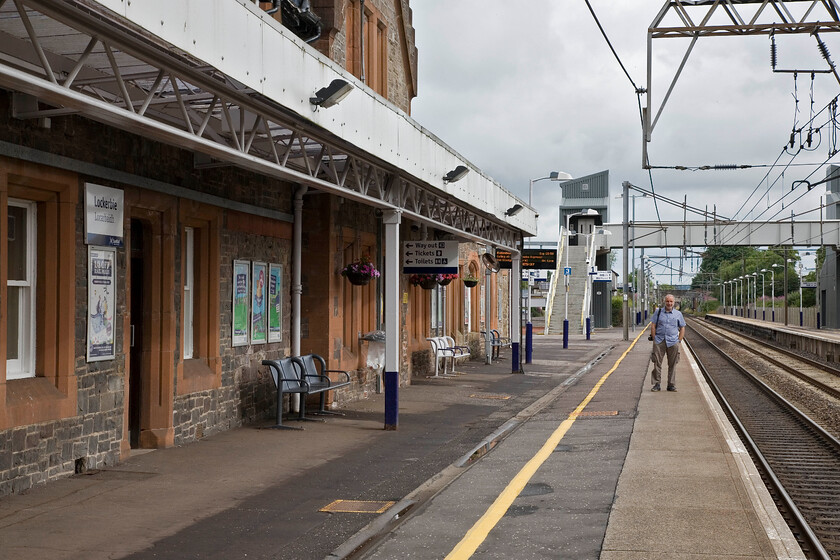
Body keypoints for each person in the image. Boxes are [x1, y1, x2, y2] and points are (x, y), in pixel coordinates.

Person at [649, 294, 685, 392]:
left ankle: (671, 385)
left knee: (672, 364)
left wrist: (679, 340)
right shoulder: (658, 312)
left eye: (671, 302)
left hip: (673, 342)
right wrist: (654, 338)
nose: (669, 303)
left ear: (674, 303)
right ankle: (657, 384)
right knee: (657, 363)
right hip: (659, 341)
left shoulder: (678, 314)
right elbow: (653, 325)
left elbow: (682, 327)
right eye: (667, 301)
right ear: (664, 302)